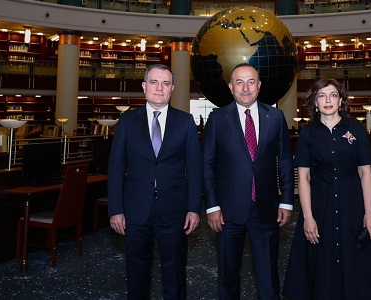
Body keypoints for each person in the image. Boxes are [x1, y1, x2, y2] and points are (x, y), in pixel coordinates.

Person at [283, 78, 371, 300]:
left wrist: (369, 212)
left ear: (340, 101)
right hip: (320, 203)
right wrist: (307, 217)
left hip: (352, 203)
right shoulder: (307, 134)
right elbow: (304, 177)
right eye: (322, 95)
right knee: (321, 256)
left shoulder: (355, 129)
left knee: (354, 255)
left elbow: (365, 173)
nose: (327, 100)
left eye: (333, 95)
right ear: (315, 102)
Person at [108, 64, 202, 300]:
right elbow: (116, 168)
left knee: (175, 275)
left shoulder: (186, 121)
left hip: (175, 211)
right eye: (154, 82)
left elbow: (194, 168)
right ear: (144, 86)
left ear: (172, 89)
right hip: (135, 211)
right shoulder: (127, 121)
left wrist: (193, 208)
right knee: (137, 274)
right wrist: (116, 210)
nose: (159, 88)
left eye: (165, 83)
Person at [202, 63, 294, 300]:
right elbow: (208, 166)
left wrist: (286, 201)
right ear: (231, 87)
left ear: (259, 85)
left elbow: (284, 161)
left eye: (251, 82)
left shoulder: (275, 117)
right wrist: (212, 206)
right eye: (239, 83)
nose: (245, 88)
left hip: (266, 210)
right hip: (227, 212)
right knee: (228, 276)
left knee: (268, 276)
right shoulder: (217, 119)